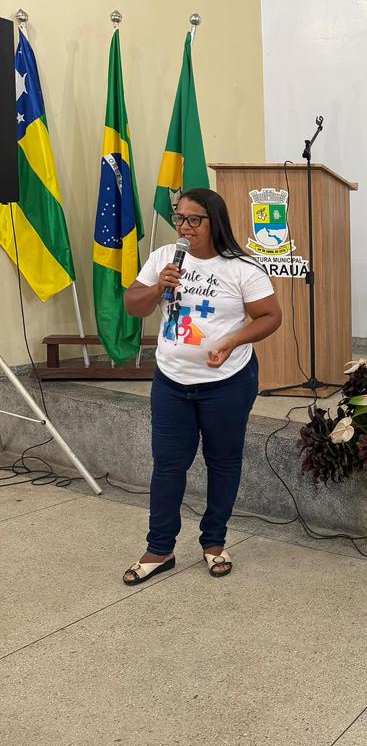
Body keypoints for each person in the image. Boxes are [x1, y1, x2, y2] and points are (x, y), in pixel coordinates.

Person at [121, 188, 282, 583]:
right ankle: (160, 549)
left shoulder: (242, 267)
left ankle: (214, 543)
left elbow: (269, 317)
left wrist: (232, 341)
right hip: (172, 382)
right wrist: (159, 286)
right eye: (180, 218)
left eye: (195, 219)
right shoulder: (163, 259)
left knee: (223, 462)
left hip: (226, 383)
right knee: (168, 465)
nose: (185, 227)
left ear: (215, 222)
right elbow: (133, 305)